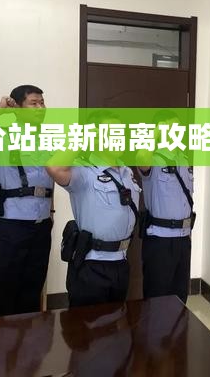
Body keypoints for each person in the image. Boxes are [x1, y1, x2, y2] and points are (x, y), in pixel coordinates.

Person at [47, 111, 141, 307]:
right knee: (86, 324)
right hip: (92, 264)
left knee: (117, 321)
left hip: (121, 261)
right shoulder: (84, 172)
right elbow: (54, 167)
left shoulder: (126, 171)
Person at [0, 85, 54, 316]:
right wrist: (0, 109)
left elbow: (53, 180)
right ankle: (1, 337)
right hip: (12, 225)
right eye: (33, 103)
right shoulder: (0, 136)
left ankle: (30, 337)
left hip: (41, 225)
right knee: (4, 290)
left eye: (42, 103)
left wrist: (50, 214)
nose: (40, 108)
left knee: (32, 288)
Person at [137, 110, 195, 304]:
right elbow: (141, 156)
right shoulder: (152, 159)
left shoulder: (183, 159)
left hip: (183, 239)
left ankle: (178, 325)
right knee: (157, 296)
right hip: (160, 241)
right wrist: (156, 131)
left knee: (180, 295)